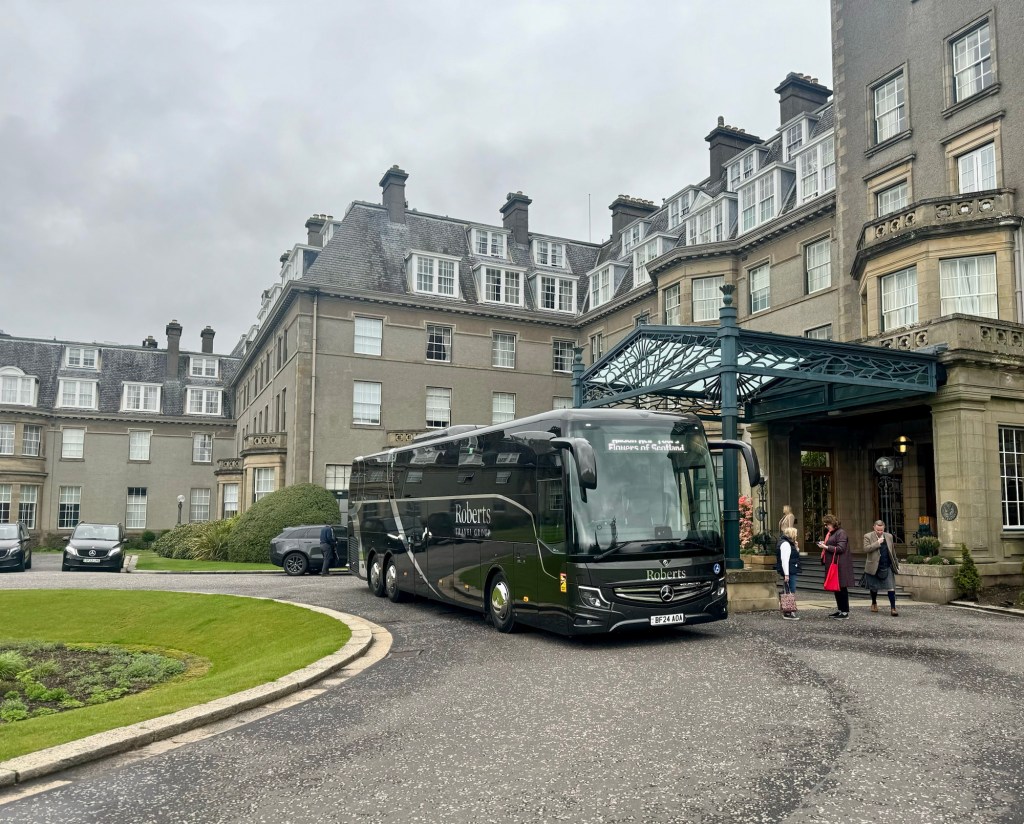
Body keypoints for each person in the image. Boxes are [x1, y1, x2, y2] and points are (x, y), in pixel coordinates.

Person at [862, 519, 901, 616]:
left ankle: (893, 608)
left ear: (884, 528)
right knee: (874, 588)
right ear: (874, 528)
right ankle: (874, 603)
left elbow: (892, 551)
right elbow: (866, 549)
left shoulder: (889, 536)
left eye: (881, 530)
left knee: (891, 587)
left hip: (887, 565)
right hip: (874, 566)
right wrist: (877, 543)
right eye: (878, 530)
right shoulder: (867, 536)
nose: (880, 532)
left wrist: (896, 563)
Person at [818, 513, 852, 619]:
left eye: (827, 524)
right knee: (836, 588)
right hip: (834, 563)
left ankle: (845, 612)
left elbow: (841, 548)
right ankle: (840, 610)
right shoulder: (833, 533)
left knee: (842, 587)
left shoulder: (841, 533)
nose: (826, 526)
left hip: (840, 564)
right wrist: (825, 545)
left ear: (832, 523)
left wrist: (826, 547)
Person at [775, 526, 801, 620]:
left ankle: (788, 610)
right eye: (795, 534)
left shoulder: (786, 543)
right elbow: (784, 560)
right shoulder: (786, 544)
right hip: (790, 570)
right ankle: (788, 611)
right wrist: (786, 574)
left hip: (790, 569)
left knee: (788, 590)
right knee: (790, 590)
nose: (796, 536)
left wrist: (796, 548)